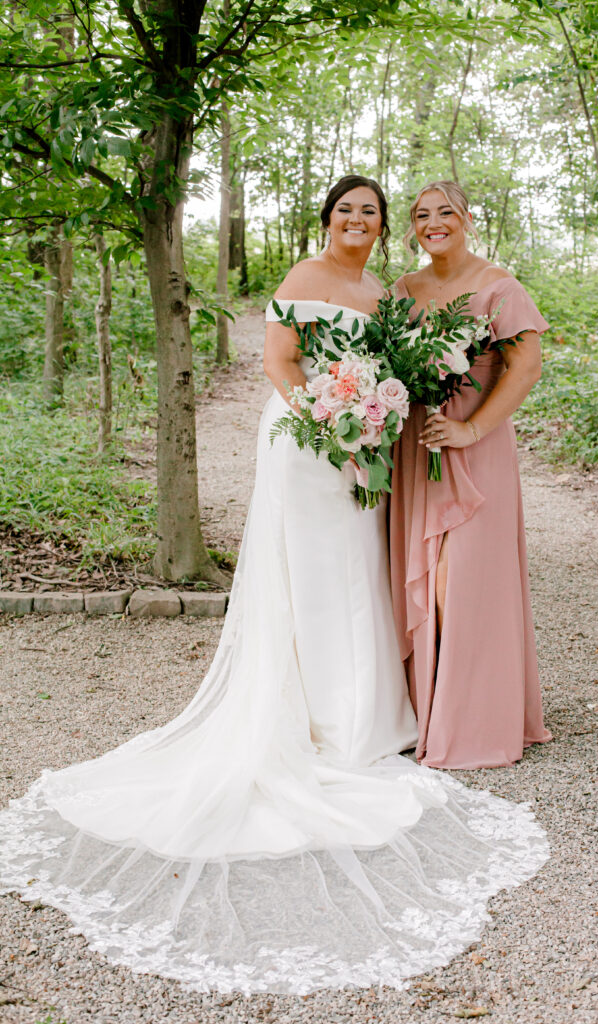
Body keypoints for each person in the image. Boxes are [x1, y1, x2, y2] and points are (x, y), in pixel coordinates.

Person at [0, 176, 548, 997]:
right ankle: (321, 718)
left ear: (384, 227)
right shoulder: (306, 275)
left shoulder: (384, 291)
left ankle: (369, 714)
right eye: (345, 210)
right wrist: (323, 416)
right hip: (308, 441)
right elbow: (277, 359)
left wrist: (369, 418)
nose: (358, 220)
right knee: (312, 572)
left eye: (370, 212)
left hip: (365, 443)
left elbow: (423, 365)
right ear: (326, 219)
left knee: (357, 572)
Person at [390, 180, 553, 770]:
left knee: (463, 580)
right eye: (421, 215)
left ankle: (475, 718)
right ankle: (423, 711)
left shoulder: (498, 286)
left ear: (465, 219)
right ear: (413, 227)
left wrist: (470, 430)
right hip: (418, 444)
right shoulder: (402, 290)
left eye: (445, 213)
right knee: (422, 574)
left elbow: (525, 367)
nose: (433, 223)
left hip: (474, 446)